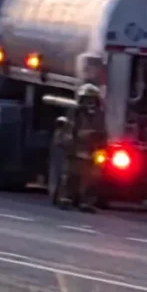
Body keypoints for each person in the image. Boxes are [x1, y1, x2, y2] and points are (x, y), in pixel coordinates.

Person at [61, 83, 107, 212]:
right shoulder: (74, 113)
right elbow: (68, 131)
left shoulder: (99, 115)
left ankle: (86, 202)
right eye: (87, 99)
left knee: (93, 178)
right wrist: (71, 143)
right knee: (72, 175)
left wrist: (101, 146)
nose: (90, 103)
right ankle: (67, 198)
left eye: (92, 100)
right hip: (76, 149)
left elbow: (103, 132)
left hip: (92, 151)